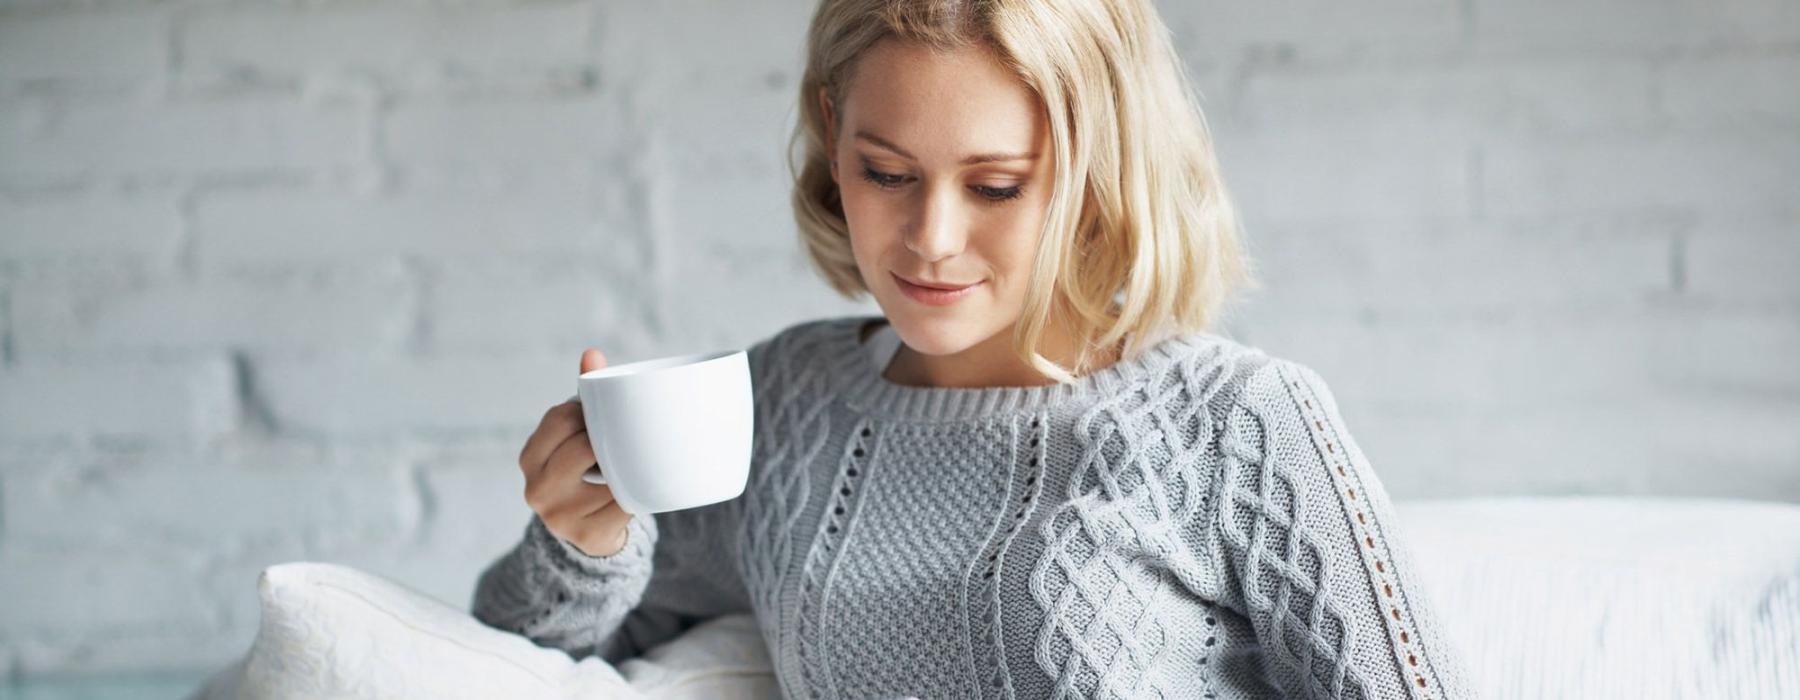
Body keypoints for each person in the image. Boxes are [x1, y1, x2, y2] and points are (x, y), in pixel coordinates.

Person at [473, 0, 1476, 697]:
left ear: (1097, 171)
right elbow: (518, 657)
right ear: (833, 136)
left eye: (996, 185)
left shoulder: (1236, 423)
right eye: (886, 172)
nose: (931, 238)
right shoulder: (782, 408)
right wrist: (582, 540)